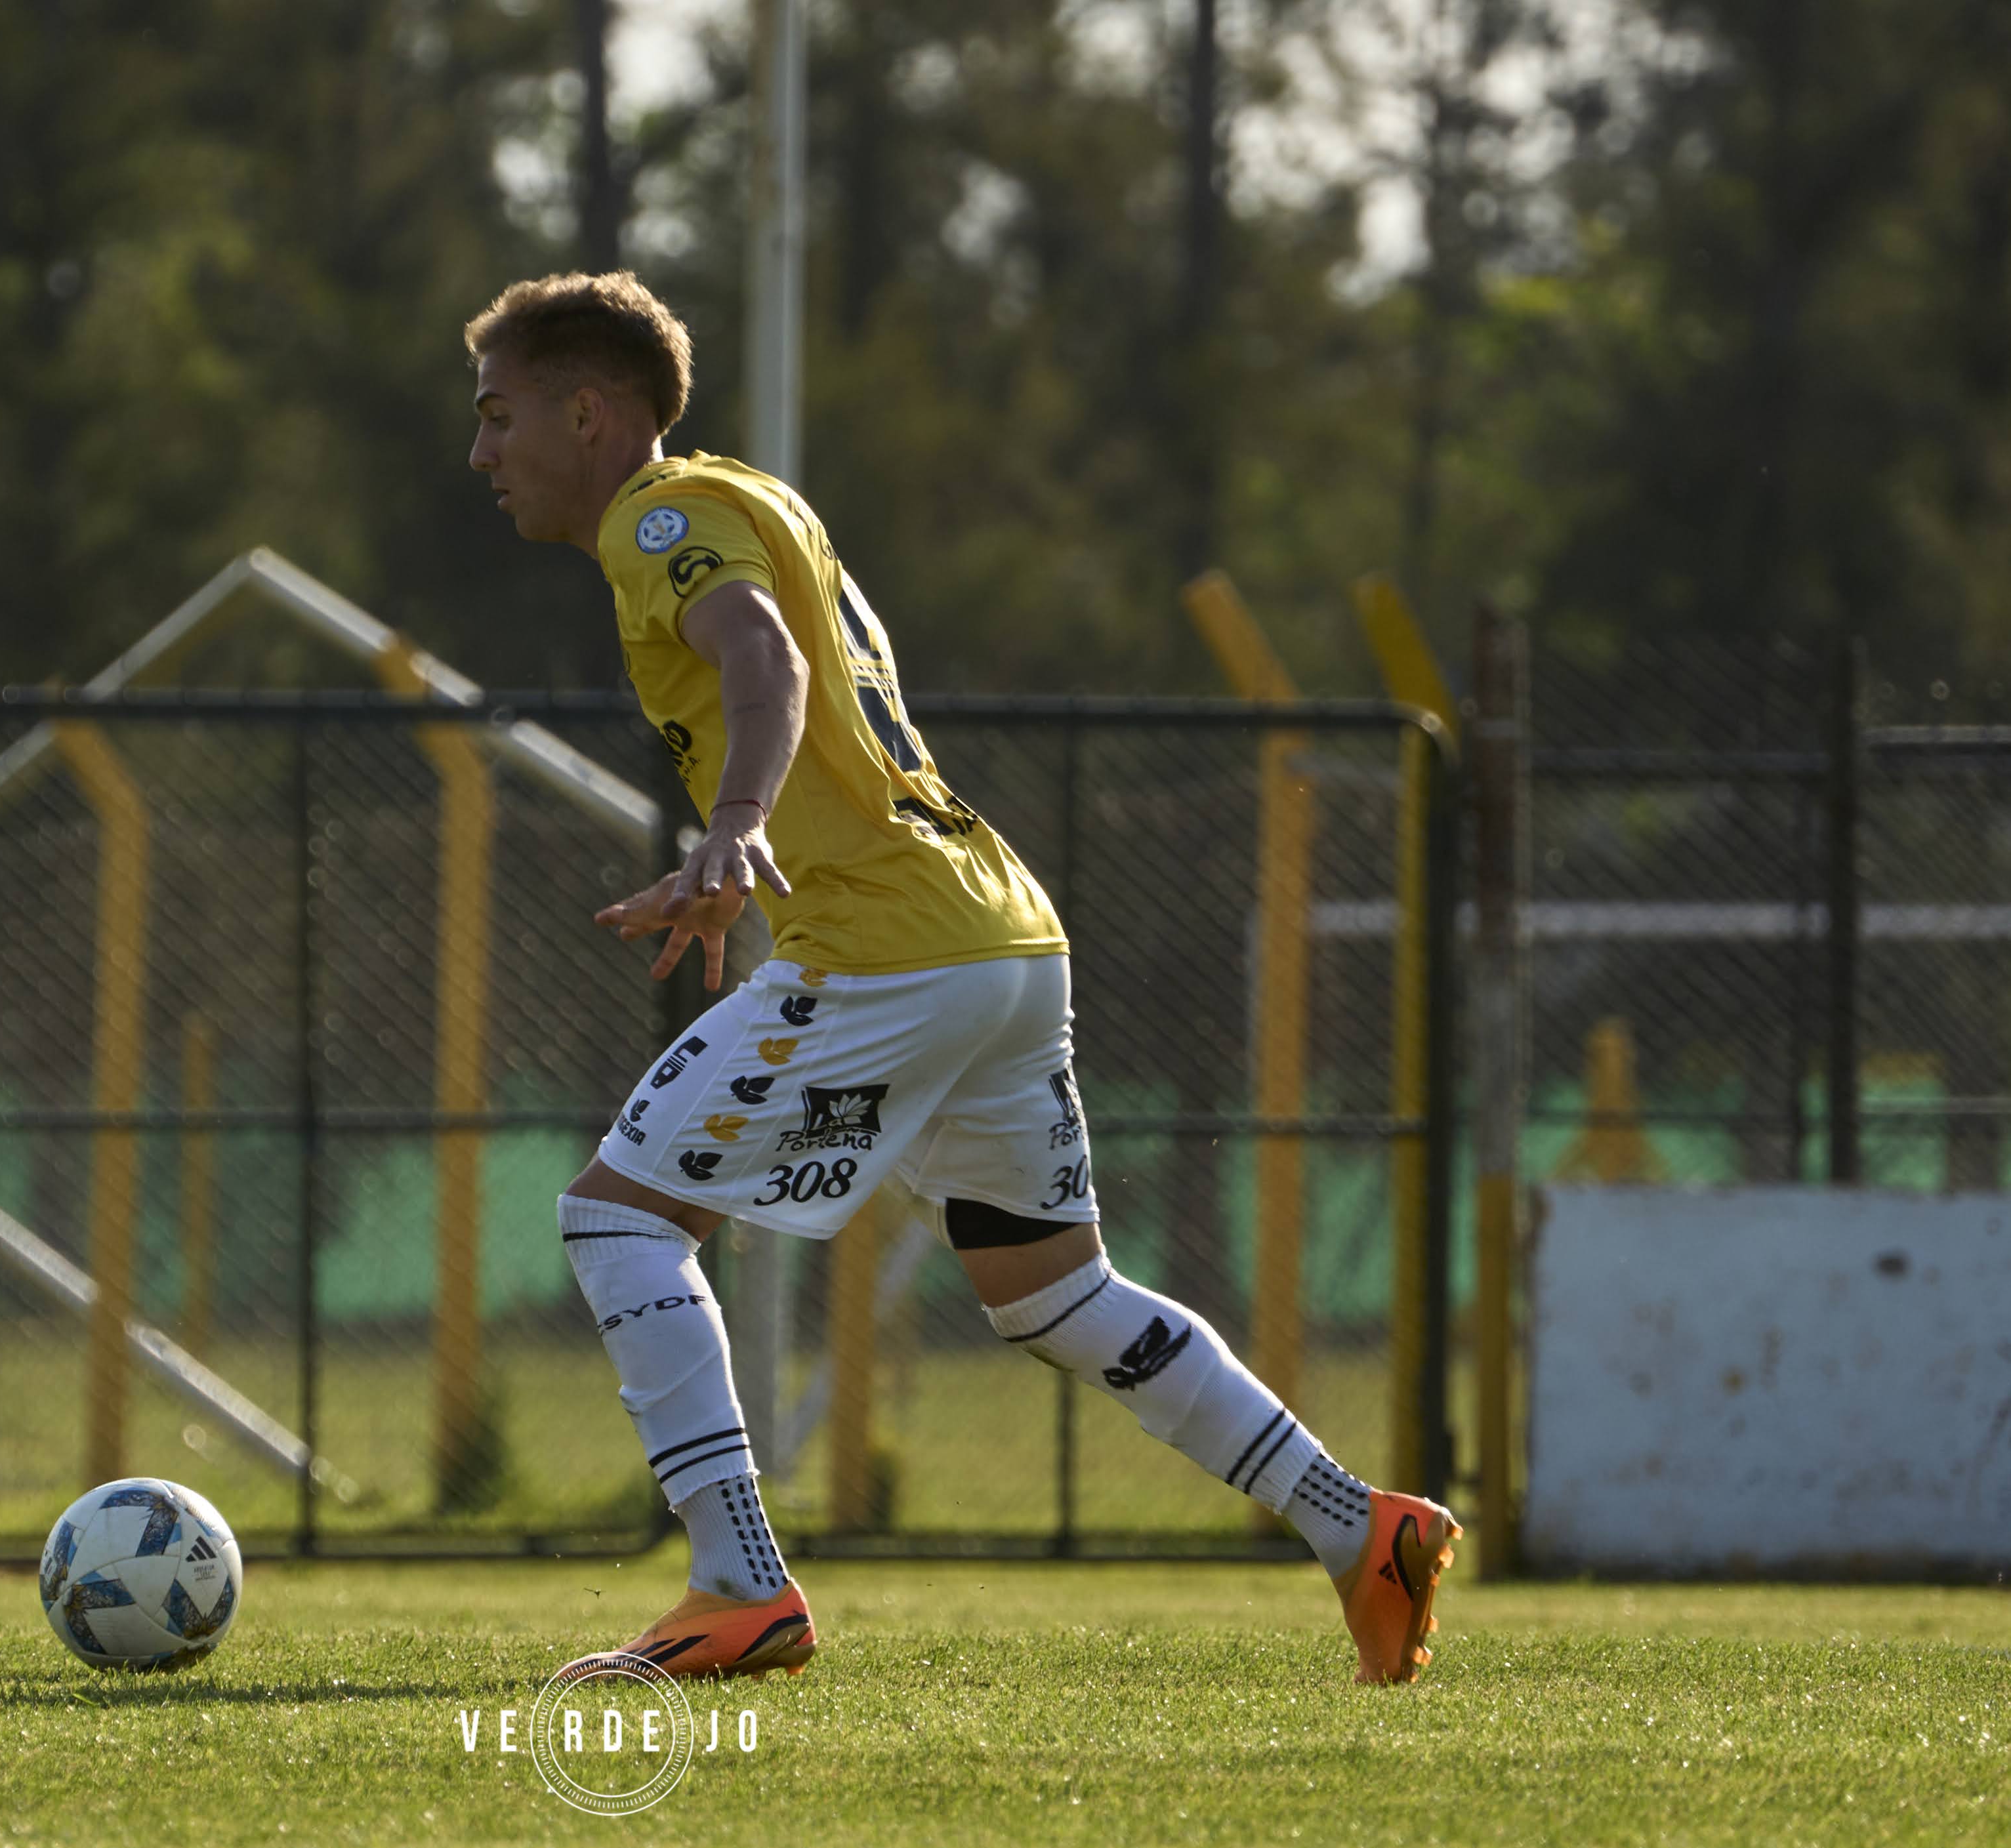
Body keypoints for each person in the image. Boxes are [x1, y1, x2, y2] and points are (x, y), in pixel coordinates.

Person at [463, 272, 1458, 1683]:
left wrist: (735, 827)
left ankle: (735, 1582)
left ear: (587, 411)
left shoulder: (658, 516)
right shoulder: (755, 495)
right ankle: (1360, 1525)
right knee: (1055, 1296)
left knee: (616, 1221)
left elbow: (757, 655)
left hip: (888, 951)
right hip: (998, 937)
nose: (481, 453)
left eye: (499, 416)